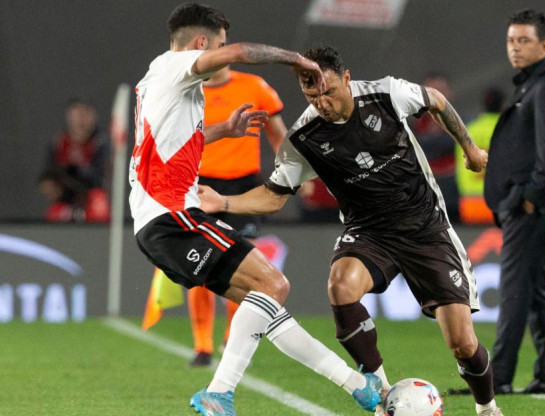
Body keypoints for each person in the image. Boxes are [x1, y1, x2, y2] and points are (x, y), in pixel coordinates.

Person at [198, 46, 504, 416]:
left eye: (328, 91)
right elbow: (274, 196)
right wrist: (224, 203)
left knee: (462, 343)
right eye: (312, 95)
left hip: (425, 227)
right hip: (369, 231)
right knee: (340, 285)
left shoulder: (386, 93)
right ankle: (383, 395)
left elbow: (436, 101)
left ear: (346, 78)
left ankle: (487, 407)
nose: (322, 102)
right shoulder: (304, 137)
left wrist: (470, 149)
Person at [129, 4, 382, 415]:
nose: (223, 51)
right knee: (274, 284)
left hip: (162, 219)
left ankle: (357, 386)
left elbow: (169, 144)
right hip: (172, 214)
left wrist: (221, 131)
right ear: (200, 43)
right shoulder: (178, 64)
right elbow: (240, 52)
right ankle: (219, 392)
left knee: (268, 304)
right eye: (219, 44)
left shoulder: (160, 80)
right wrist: (298, 60)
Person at [484, 9, 545, 395]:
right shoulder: (532, 85)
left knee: (515, 290)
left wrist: (530, 200)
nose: (515, 48)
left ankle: (498, 378)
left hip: (532, 207)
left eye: (524, 41)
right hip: (526, 205)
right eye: (511, 41)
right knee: (536, 290)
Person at [187, 64, 288, 367]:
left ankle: (233, 339)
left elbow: (277, 131)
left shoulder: (255, 86)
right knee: (198, 268)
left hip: (243, 187)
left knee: (242, 265)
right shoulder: (188, 92)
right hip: (200, 184)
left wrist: (293, 175)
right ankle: (202, 346)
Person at [39, 99, 111, 223]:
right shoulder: (58, 142)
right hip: (64, 198)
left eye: (85, 114)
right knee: (55, 214)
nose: (81, 120)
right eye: (77, 114)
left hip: (91, 198)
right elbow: (49, 174)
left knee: (98, 205)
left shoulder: (101, 143)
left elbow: (98, 177)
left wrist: (73, 171)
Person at [408, 72, 460, 222]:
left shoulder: (464, 124)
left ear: (450, 93)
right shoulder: (409, 125)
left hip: (453, 197)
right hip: (421, 198)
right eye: (431, 91)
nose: (436, 97)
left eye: (441, 91)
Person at [455, 87, 504, 224]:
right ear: (503, 105)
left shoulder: (469, 130)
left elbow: (460, 166)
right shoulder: (507, 128)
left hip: (470, 203)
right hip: (499, 202)